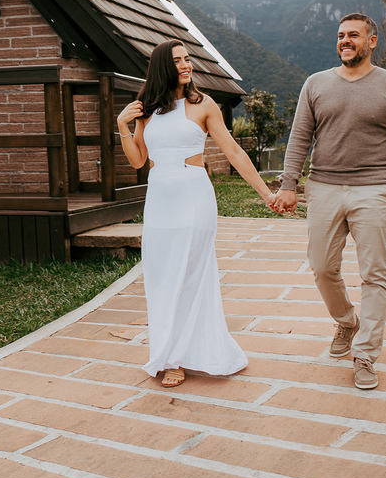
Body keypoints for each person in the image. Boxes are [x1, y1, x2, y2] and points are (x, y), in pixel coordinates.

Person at [117, 39, 277, 388]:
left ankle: (177, 358)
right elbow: (138, 160)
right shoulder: (148, 109)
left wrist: (266, 193)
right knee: (161, 276)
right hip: (159, 199)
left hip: (193, 196)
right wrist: (122, 126)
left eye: (188, 59)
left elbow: (233, 152)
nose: (186, 65)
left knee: (189, 274)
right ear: (163, 66)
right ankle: (169, 350)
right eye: (178, 60)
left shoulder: (203, 104)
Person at [273, 13, 386, 390]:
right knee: (322, 267)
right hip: (322, 186)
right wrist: (289, 184)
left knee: (375, 273)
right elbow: (300, 137)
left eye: (353, 35)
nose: (345, 41)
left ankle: (365, 354)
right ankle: (347, 321)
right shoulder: (315, 83)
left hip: (374, 188)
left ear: (372, 41)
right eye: (341, 35)